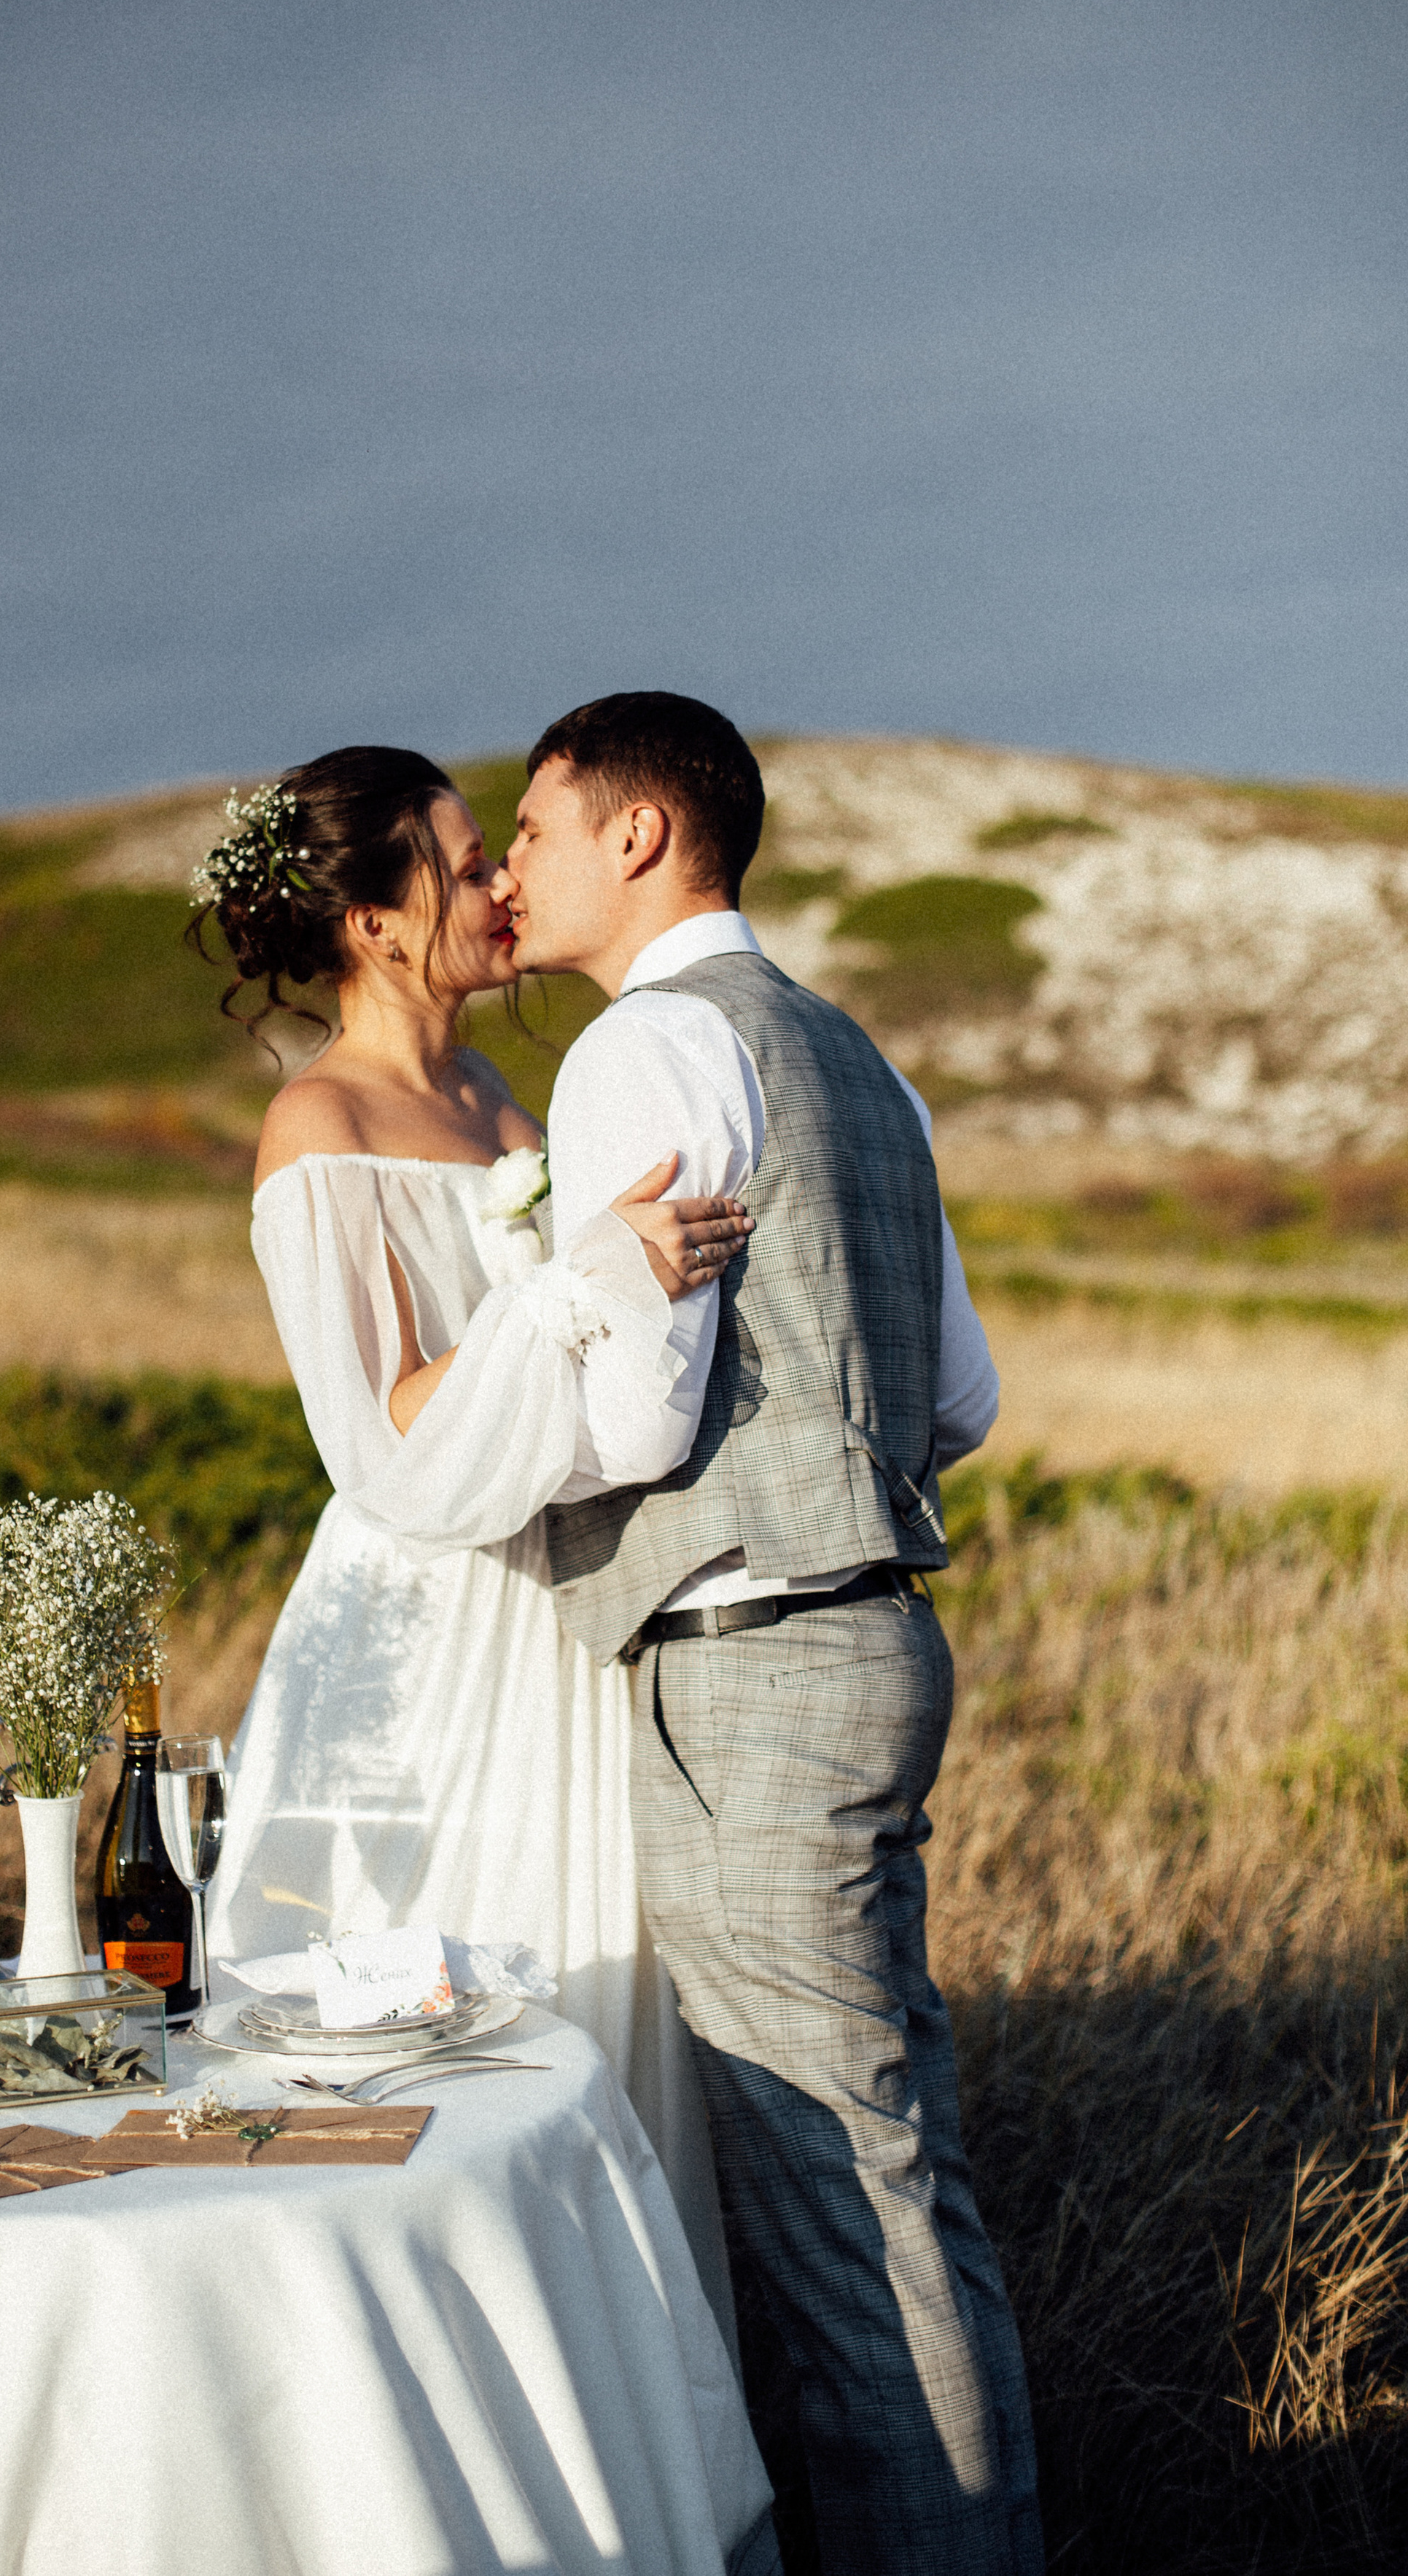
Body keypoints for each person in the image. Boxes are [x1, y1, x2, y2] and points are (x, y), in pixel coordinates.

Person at [498, 692, 1043, 2576]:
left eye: (537, 829)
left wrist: (475, 1453)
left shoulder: (644, 1050)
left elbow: (642, 1422)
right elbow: (958, 1397)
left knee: (835, 2204)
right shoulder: (851, 1056)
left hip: (750, 1665)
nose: (510, 866)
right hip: (884, 1636)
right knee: (903, 2175)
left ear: (642, 836)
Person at [194, 745, 752, 2296]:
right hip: (428, 1623)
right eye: (459, 860)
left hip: (567, 1608)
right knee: (434, 2020)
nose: (501, 882)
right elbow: (379, 1438)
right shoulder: (318, 1123)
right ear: (374, 923)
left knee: (594, 1999)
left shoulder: (504, 1096)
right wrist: (571, 1287)